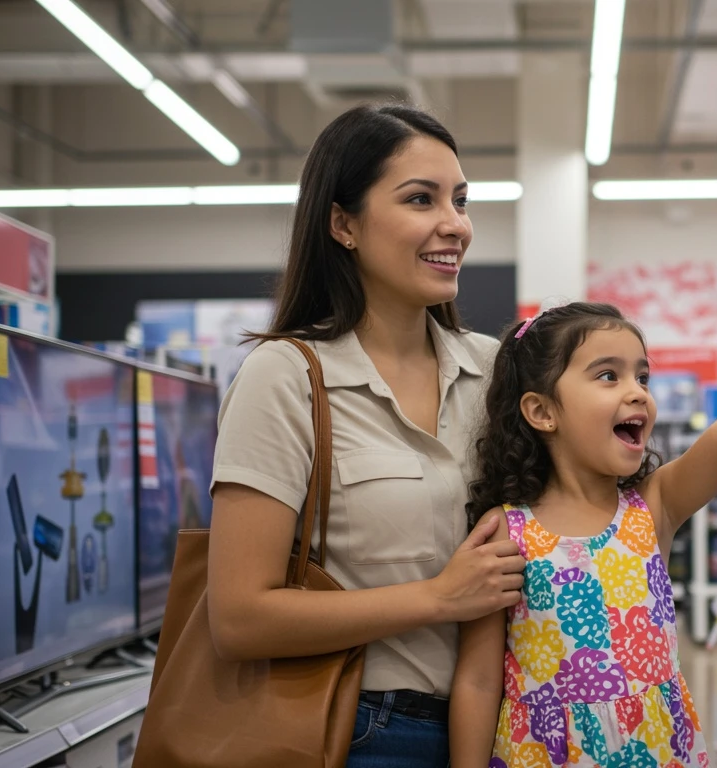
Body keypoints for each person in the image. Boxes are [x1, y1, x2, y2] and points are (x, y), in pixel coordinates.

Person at [448, 261, 717, 768]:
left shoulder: (651, 508)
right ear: (542, 411)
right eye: (608, 375)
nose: (637, 391)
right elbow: (477, 682)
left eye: (642, 375)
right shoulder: (504, 532)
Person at [205, 104, 526, 768]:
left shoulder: (494, 369)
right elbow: (238, 618)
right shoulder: (287, 378)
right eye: (421, 199)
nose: (455, 225)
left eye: (460, 201)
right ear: (342, 223)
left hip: (506, 725)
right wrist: (436, 598)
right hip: (359, 733)